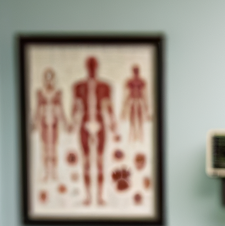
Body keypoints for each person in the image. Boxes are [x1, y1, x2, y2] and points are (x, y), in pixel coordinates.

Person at [71, 56, 116, 207]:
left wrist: (113, 122)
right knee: (86, 162)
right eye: (90, 66)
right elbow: (76, 107)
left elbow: (109, 106)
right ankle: (88, 197)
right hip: (85, 123)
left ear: (97, 67)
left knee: (99, 161)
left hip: (99, 122)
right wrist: (73, 123)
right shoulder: (79, 86)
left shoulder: (105, 86)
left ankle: (100, 196)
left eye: (93, 66)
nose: (91, 68)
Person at [31, 67, 70, 181]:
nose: (49, 81)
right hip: (44, 124)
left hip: (54, 124)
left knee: (53, 148)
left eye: (50, 79)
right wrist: (34, 123)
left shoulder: (58, 93)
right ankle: (46, 172)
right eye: (47, 79)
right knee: (45, 148)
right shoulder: (40, 93)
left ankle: (54, 172)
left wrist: (65, 123)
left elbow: (61, 109)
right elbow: (37, 109)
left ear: (53, 79)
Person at [121, 64, 150, 142]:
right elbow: (126, 94)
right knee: (132, 120)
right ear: (133, 72)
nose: (136, 73)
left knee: (140, 120)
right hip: (132, 101)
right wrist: (124, 110)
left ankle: (140, 138)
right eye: (135, 71)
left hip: (140, 101)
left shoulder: (142, 81)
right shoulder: (129, 81)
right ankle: (132, 137)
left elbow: (145, 95)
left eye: (137, 71)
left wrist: (147, 110)